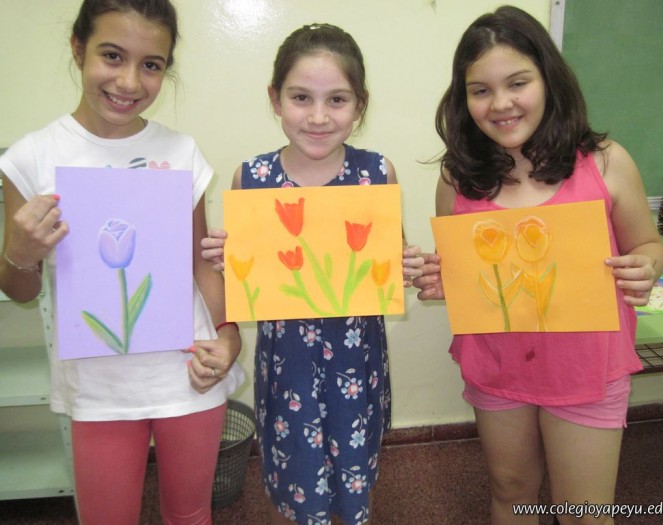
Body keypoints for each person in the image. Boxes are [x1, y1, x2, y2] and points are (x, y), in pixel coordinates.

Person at [412, 6, 663, 525]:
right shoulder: (457, 178)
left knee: (584, 511)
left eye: (517, 83)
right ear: (463, 99)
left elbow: (647, 244)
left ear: (548, 79)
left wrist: (646, 265)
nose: (500, 103)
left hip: (586, 367)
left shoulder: (606, 162)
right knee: (511, 489)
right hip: (497, 366)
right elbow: (465, 277)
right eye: (480, 90)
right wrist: (443, 281)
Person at [0, 1, 243, 523]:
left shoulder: (180, 151)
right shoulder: (31, 157)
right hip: (98, 386)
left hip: (188, 373)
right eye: (112, 55)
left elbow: (200, 263)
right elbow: (21, 289)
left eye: (151, 64)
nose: (129, 81)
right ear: (78, 49)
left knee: (190, 515)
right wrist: (19, 255)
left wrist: (229, 335)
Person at [201, 23, 424, 525]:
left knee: (354, 472)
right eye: (301, 97)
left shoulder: (376, 173)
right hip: (289, 366)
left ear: (360, 104)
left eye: (337, 100)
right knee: (295, 475)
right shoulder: (251, 179)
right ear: (275, 99)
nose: (319, 117)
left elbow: (392, 258)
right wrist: (226, 259)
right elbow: (244, 274)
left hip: (355, 360)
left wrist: (406, 264)